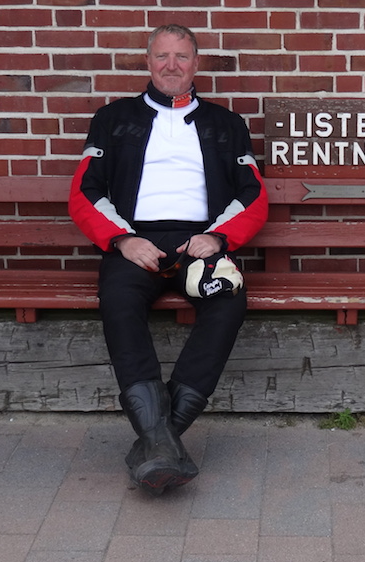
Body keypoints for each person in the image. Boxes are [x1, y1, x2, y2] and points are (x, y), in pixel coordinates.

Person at [69, 24, 268, 493]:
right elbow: (84, 190)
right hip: (134, 239)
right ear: (148, 62)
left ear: (196, 64)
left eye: (181, 56)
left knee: (228, 301)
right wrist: (122, 240)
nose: (171, 65)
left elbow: (254, 195)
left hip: (200, 242)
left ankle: (158, 441)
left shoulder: (227, 124)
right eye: (162, 56)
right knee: (118, 301)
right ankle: (162, 442)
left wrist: (217, 237)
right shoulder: (113, 118)